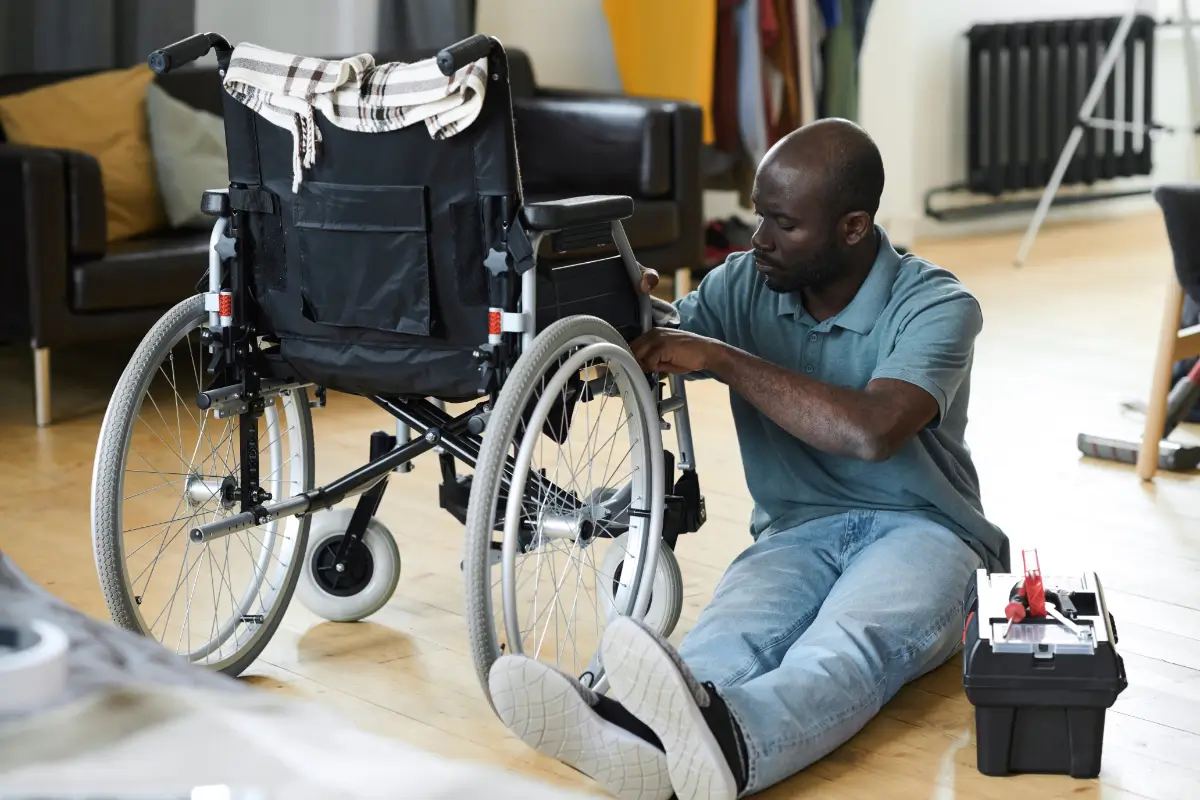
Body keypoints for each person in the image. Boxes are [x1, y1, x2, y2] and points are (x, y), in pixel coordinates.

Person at [485, 118, 1009, 800]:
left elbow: (874, 431)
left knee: (846, 644)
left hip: (929, 531)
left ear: (853, 228)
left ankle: (736, 748)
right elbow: (662, 341)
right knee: (729, 639)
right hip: (797, 529)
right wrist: (621, 304)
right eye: (759, 215)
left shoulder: (937, 304)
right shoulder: (748, 282)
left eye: (783, 224)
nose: (756, 239)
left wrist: (723, 359)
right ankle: (626, 728)